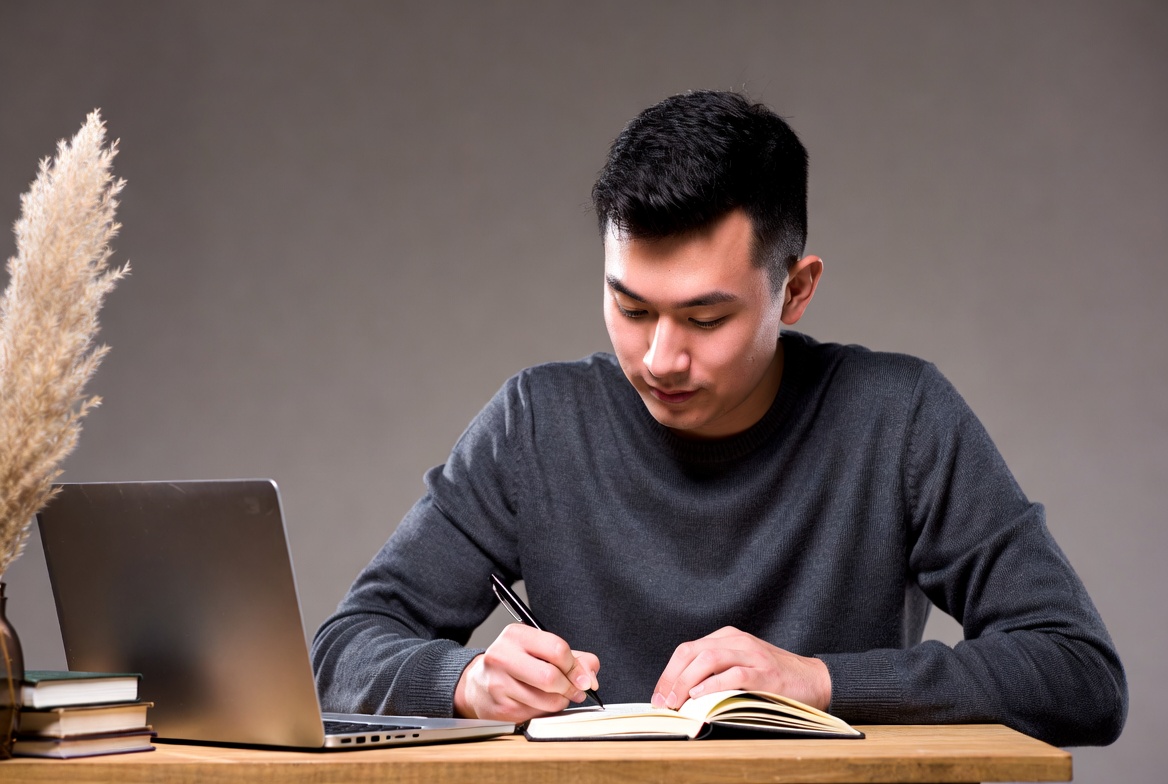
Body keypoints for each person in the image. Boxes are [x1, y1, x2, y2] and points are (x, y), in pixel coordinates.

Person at [311, 91, 1127, 747]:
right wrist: (463, 681)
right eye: (631, 308)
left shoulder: (899, 416)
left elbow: (1081, 675)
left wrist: (820, 682)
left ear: (795, 291)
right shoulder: (536, 421)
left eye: (705, 319)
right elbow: (338, 652)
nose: (660, 358)